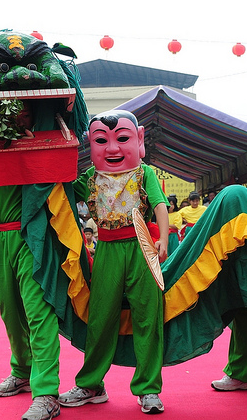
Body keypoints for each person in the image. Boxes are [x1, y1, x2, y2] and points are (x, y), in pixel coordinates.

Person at [60, 110, 169, 414]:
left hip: (141, 248)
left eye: (122, 138)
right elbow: (63, 185)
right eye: (101, 140)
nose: (112, 148)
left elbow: (159, 204)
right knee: (100, 318)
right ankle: (91, 384)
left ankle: (148, 389)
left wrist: (164, 240)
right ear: (90, 145)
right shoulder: (90, 179)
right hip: (106, 249)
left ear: (140, 139)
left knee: (148, 317)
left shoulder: (144, 173)